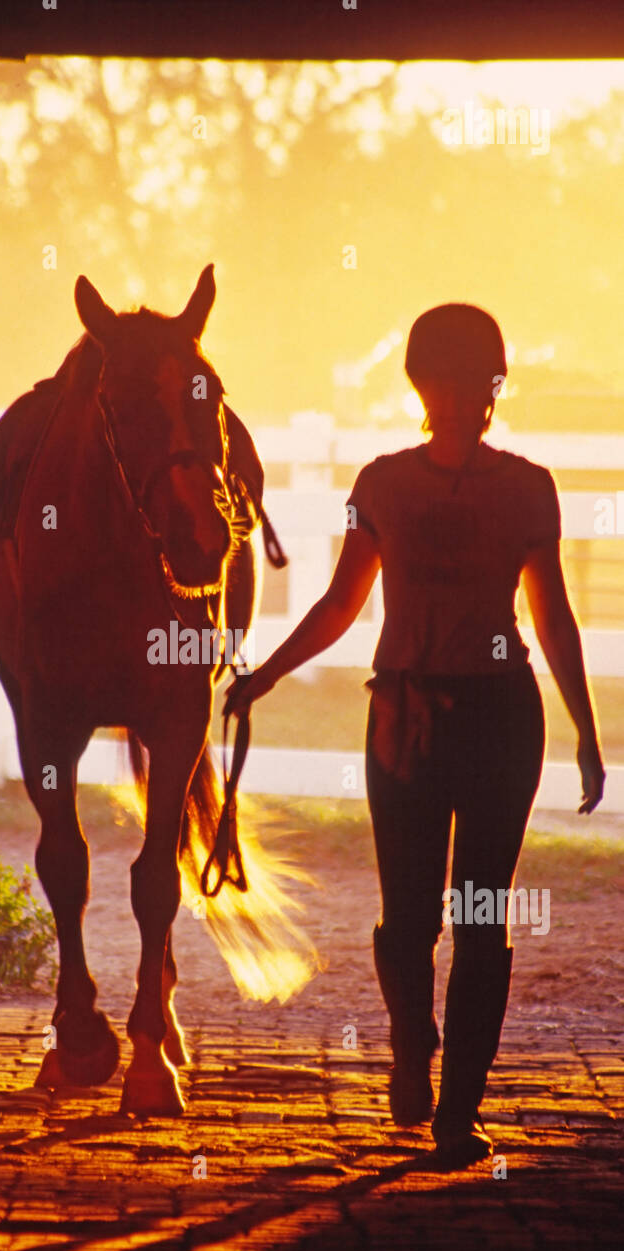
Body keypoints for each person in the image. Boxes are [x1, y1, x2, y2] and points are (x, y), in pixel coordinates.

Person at [223, 303, 605, 1168]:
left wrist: (585, 726)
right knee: (407, 920)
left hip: (500, 717)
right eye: (444, 377)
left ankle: (458, 1111)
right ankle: (410, 1043)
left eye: (473, 378)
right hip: (405, 715)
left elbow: (553, 615)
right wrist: (266, 676)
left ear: (491, 388)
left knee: (480, 914)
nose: (459, 393)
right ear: (420, 386)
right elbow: (338, 604)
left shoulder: (526, 488)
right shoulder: (381, 485)